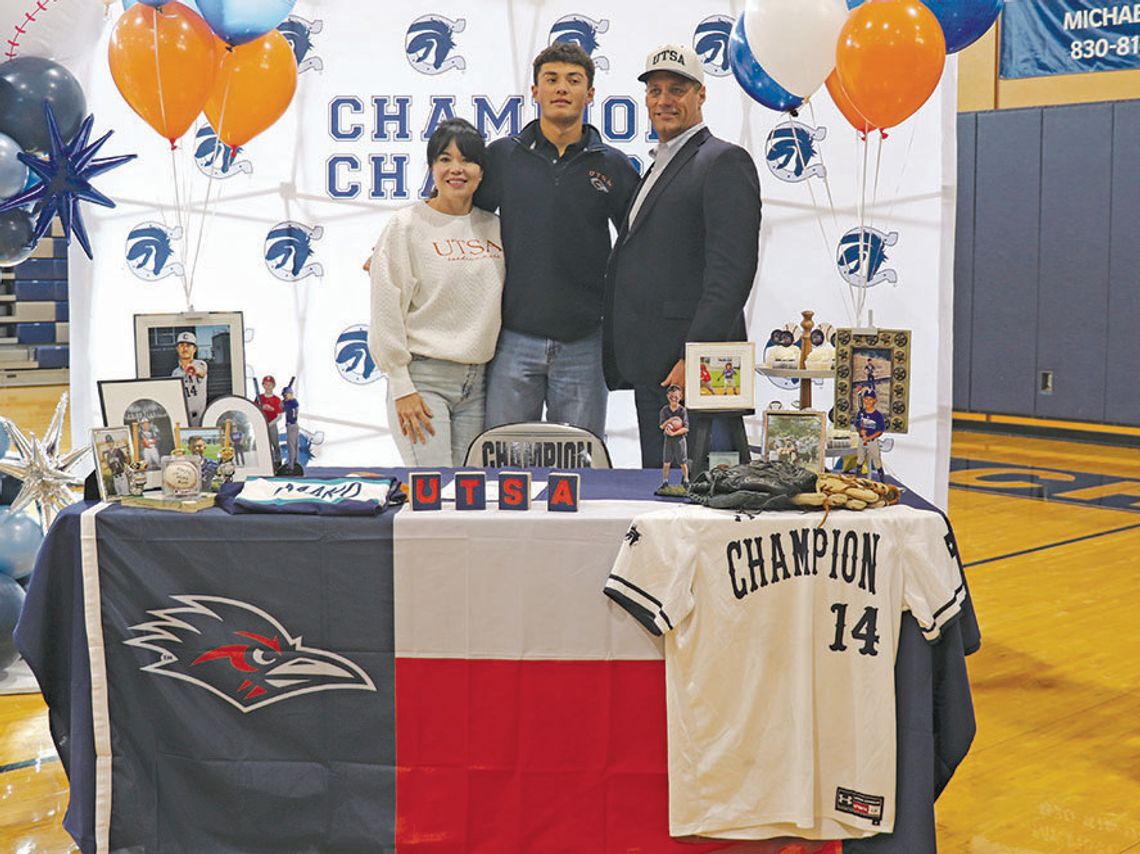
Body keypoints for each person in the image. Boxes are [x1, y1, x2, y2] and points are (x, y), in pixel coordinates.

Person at [603, 43, 762, 468]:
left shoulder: (724, 160)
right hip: (655, 365)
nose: (664, 101)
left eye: (677, 89)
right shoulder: (657, 166)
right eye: (655, 91)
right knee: (663, 484)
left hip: (689, 370)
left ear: (701, 95)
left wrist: (694, 359)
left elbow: (731, 273)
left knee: (700, 494)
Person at [475, 42, 639, 440]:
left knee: (580, 473)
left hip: (585, 342)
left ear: (591, 93)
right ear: (535, 91)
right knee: (503, 469)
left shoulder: (612, 165)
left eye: (573, 80)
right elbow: (456, 216)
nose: (562, 88)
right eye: (551, 79)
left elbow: (640, 242)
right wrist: (403, 246)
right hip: (512, 338)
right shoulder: (502, 158)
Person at [369, 118, 505, 466]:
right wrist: (401, 387)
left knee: (470, 496)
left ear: (481, 172)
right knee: (435, 494)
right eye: (445, 159)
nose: (456, 169)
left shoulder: (495, 227)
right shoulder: (406, 225)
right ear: (432, 168)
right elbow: (387, 311)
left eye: (467, 160)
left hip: (480, 385)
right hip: (423, 380)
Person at [171, 331, 209, 426]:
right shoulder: (175, 372)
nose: (185, 348)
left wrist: (193, 369)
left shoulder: (200, 364)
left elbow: (201, 372)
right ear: (177, 348)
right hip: (182, 415)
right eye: (181, 345)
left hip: (199, 416)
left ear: (194, 349)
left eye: (188, 345)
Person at [657, 384, 689, 493]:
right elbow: (661, 426)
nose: (674, 399)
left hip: (679, 440)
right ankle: (665, 482)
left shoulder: (682, 411)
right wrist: (671, 420)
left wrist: (674, 433)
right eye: (671, 397)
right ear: (668, 397)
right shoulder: (665, 410)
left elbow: (686, 428)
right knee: (666, 462)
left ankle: (686, 481)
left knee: (682, 462)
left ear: (680, 396)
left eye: (676, 396)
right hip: (668, 440)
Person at [854, 388, 886, 480]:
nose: (868, 401)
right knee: (860, 459)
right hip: (861, 440)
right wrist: (860, 431)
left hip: (872, 441)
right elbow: (857, 425)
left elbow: (880, 430)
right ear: (863, 399)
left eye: (870, 399)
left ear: (874, 400)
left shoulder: (877, 415)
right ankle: (857, 479)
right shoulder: (861, 413)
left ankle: (882, 481)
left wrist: (869, 437)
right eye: (866, 399)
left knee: (877, 460)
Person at [282, 382, 301, 474]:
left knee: (291, 446)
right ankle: (295, 463)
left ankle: (291, 466)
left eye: (286, 395)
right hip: (295, 425)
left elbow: (282, 407)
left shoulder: (290, 403)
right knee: (295, 445)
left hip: (291, 425)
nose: (285, 397)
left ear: (290, 394)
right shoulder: (294, 401)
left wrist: (283, 401)